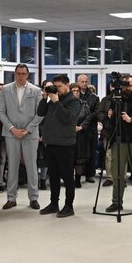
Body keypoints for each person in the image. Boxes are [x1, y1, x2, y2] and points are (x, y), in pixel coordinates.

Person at [103, 74, 132, 214]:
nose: (128, 88)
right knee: (117, 174)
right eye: (125, 85)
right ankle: (116, 202)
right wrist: (109, 116)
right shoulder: (116, 100)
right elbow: (109, 120)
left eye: (130, 85)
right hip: (119, 141)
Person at [36, 74, 82, 218]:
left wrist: (56, 102)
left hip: (65, 144)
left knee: (67, 177)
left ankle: (69, 206)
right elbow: (40, 112)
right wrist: (45, 96)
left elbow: (67, 118)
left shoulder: (74, 101)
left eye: (59, 86)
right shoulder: (53, 99)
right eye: (55, 86)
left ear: (67, 85)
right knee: (53, 176)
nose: (57, 89)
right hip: (51, 143)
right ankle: (54, 203)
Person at [0, 64, 42, 210]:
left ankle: (33, 198)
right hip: (11, 133)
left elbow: (40, 113)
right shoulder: (5, 89)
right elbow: (1, 112)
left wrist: (28, 130)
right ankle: (11, 198)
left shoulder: (36, 91)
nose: (21, 76)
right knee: (12, 166)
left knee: (32, 166)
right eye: (18, 73)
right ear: (15, 74)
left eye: (23, 73)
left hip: (30, 133)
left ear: (27, 75)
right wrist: (12, 128)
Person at [70, 83, 96, 188]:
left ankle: (78, 179)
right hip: (68, 135)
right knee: (69, 159)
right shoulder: (64, 104)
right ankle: (69, 179)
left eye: (77, 91)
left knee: (79, 159)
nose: (75, 93)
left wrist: (81, 126)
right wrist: (71, 127)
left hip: (81, 135)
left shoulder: (84, 104)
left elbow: (89, 117)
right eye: (73, 91)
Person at [76, 74, 99, 183]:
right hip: (76, 129)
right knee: (78, 153)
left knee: (91, 152)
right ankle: (77, 174)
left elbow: (95, 113)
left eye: (86, 81)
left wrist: (83, 125)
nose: (84, 84)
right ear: (78, 82)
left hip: (90, 129)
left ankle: (89, 174)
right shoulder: (75, 95)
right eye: (82, 82)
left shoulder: (94, 97)